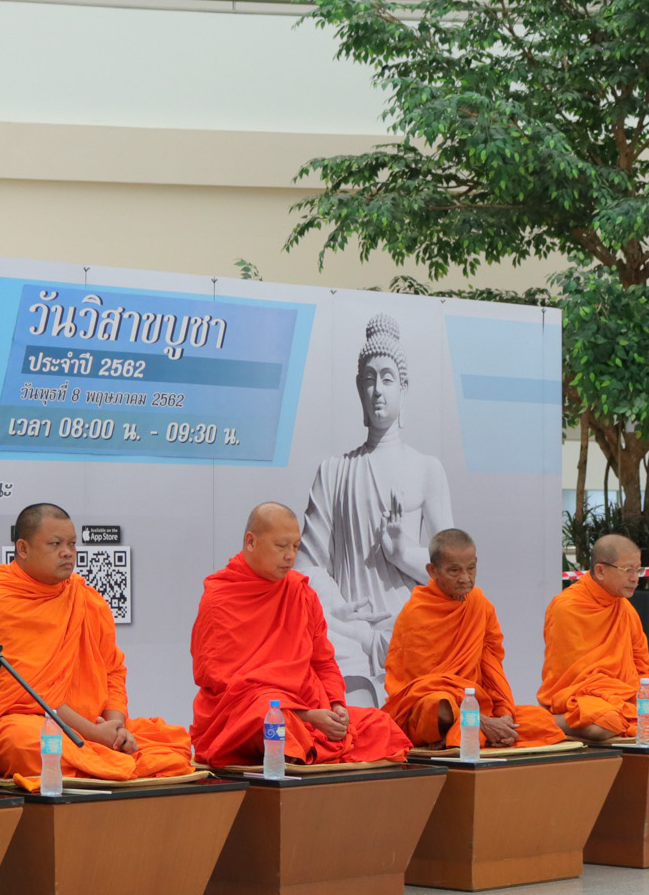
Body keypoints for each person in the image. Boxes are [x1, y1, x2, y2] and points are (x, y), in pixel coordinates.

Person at [0, 502, 194, 785]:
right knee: (23, 743)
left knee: (172, 739)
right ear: (22, 549)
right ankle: (107, 759)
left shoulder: (86, 600)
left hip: (93, 724)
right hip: (30, 721)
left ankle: (105, 757)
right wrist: (96, 735)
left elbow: (112, 671)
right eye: (55, 544)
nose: (67, 553)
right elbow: (29, 694)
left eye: (72, 544)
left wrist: (115, 726)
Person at [298, 313, 454, 701]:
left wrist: (404, 554)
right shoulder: (333, 470)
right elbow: (307, 566)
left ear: (404, 387)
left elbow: (453, 574)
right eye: (369, 379)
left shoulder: (426, 469)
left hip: (408, 626)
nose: (378, 391)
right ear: (358, 389)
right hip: (350, 626)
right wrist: (340, 609)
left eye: (387, 379)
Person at [190, 502, 412, 766]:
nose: (290, 556)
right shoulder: (221, 597)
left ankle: (311, 749)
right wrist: (304, 715)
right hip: (248, 715)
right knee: (270, 720)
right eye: (281, 546)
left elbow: (324, 661)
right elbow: (217, 679)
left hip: (310, 709)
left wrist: (336, 705)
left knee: (381, 726)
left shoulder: (300, 592)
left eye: (295, 547)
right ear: (251, 542)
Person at [381, 528, 565, 749]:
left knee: (541, 721)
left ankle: (476, 730)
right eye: (454, 571)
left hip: (476, 704)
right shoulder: (417, 612)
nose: (465, 578)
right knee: (437, 705)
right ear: (432, 571)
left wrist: (504, 714)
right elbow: (418, 690)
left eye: (471, 568)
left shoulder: (479, 605)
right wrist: (482, 721)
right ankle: (477, 728)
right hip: (438, 708)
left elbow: (491, 668)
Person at [538, 534, 649, 740]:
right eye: (628, 570)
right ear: (601, 571)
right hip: (582, 698)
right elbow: (578, 677)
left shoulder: (624, 608)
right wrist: (632, 701)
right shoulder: (567, 608)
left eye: (638, 570)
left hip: (624, 696)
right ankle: (550, 719)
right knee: (604, 721)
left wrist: (646, 699)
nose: (635, 578)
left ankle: (630, 714)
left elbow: (643, 667)